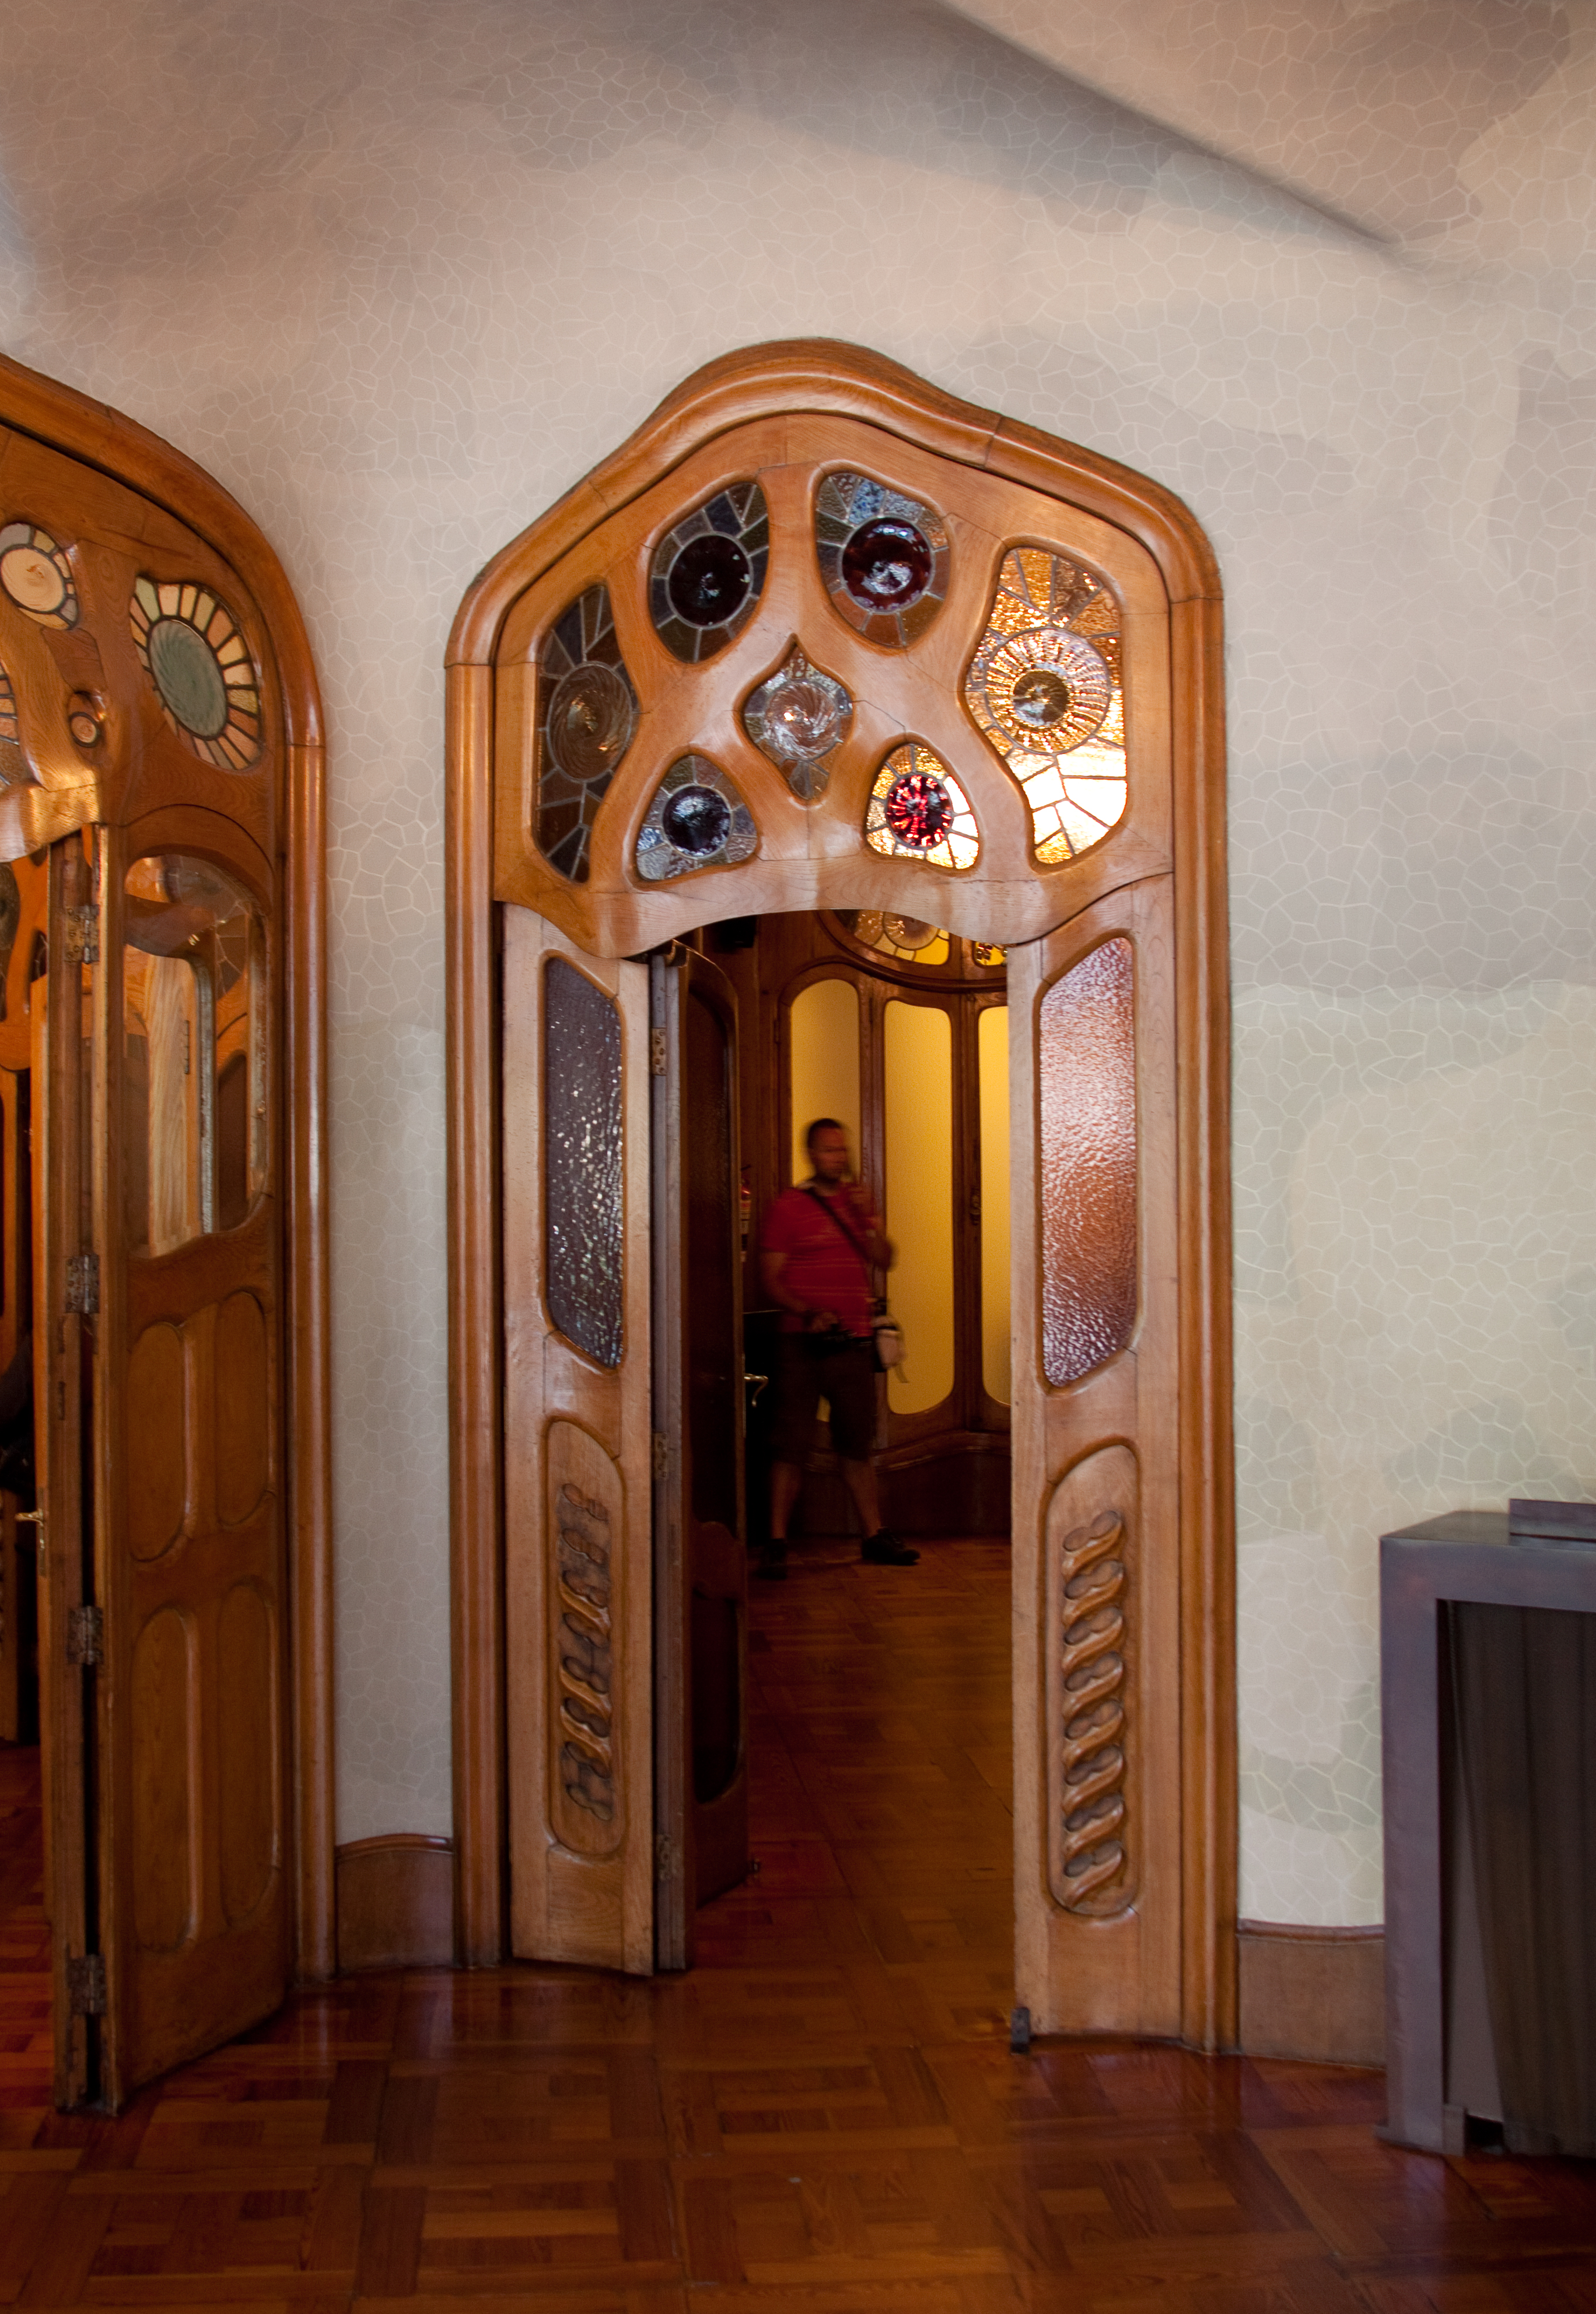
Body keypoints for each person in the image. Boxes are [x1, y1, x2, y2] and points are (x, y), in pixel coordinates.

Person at [757, 1117, 918, 1577]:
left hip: (853, 1343)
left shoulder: (857, 1204)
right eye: (829, 1151)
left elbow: (886, 1260)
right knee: (790, 1445)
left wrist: (870, 1223)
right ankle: (776, 1543)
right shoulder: (789, 1207)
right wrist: (809, 1311)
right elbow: (769, 1279)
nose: (838, 1158)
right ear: (812, 1155)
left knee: (856, 1445)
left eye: (842, 1150)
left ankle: (873, 1536)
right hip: (801, 1344)